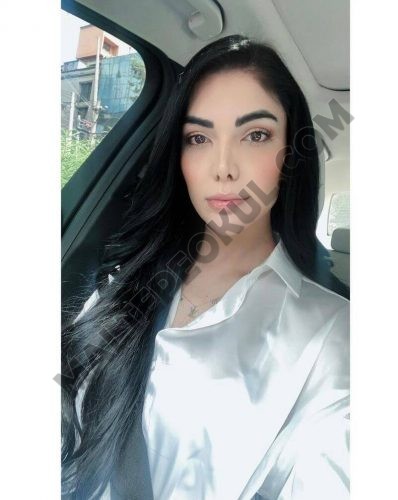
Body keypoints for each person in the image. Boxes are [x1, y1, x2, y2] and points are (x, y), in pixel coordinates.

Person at [61, 35, 349, 500]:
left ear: (290, 155)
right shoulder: (123, 283)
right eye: (198, 138)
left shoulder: (335, 336)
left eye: (255, 135)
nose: (223, 168)